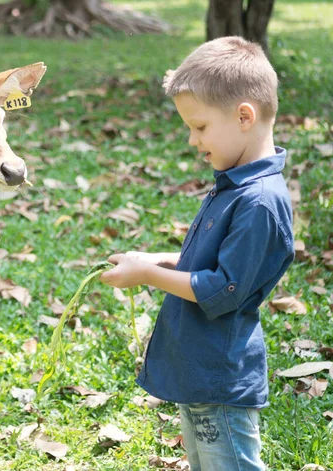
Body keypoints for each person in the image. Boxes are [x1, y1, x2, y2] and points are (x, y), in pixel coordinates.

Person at [100, 36, 295, 471]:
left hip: (219, 379)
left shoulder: (259, 202)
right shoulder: (235, 183)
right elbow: (212, 263)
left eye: (200, 126)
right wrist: (155, 259)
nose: (192, 139)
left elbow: (222, 288)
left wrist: (147, 277)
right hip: (199, 373)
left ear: (245, 116)